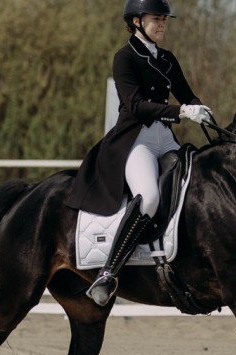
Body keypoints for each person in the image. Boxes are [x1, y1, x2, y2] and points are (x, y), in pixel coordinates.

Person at [66, 0, 212, 306]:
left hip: (165, 138)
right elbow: (135, 105)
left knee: (198, 185)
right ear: (136, 22)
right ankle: (109, 272)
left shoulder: (167, 58)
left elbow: (186, 94)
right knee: (149, 197)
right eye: (156, 19)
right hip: (137, 140)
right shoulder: (125, 58)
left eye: (164, 20)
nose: (162, 25)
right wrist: (182, 110)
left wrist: (200, 109)